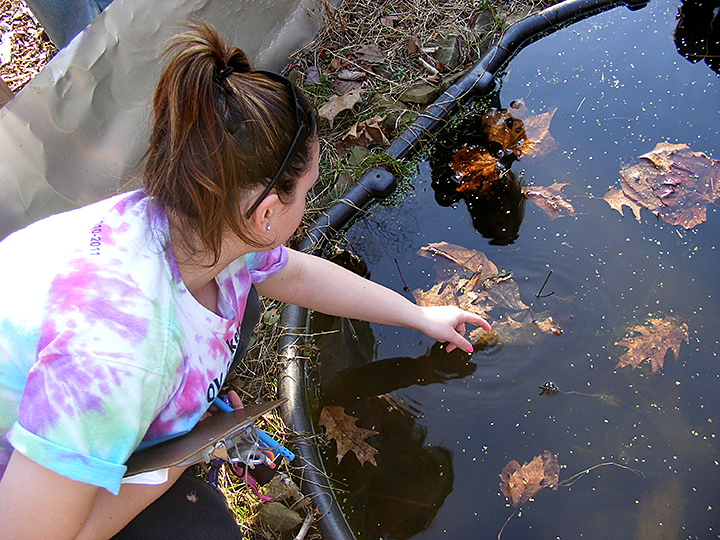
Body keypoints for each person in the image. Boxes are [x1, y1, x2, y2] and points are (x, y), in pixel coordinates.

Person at [0, 21, 490, 539]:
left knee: (244, 300)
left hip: (89, 411)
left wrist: (418, 316)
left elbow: (295, 273)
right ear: (267, 213)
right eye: (306, 192)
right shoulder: (117, 356)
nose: (307, 207)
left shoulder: (198, 222)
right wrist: (179, 459)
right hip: (24, 488)